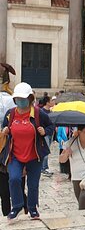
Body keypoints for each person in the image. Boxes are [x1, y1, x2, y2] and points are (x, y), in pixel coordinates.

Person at [1, 82, 54, 221]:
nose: (20, 101)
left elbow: (50, 126)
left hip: (34, 155)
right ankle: (17, 206)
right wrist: (5, 131)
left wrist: (44, 132)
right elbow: (4, 128)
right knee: (14, 179)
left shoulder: (38, 113)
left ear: (30, 98)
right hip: (15, 155)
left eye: (23, 98)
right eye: (18, 98)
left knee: (33, 184)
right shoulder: (10, 114)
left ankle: (32, 208)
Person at [0, 89, 16, 216]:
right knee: (4, 191)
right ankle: (6, 214)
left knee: (13, 188)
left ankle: (24, 207)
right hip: (3, 162)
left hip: (8, 159)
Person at [39, 96, 55, 177]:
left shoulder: (52, 112)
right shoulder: (42, 112)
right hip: (44, 134)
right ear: (47, 102)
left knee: (47, 150)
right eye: (51, 100)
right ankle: (43, 168)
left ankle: (44, 167)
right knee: (45, 150)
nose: (53, 102)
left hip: (50, 133)